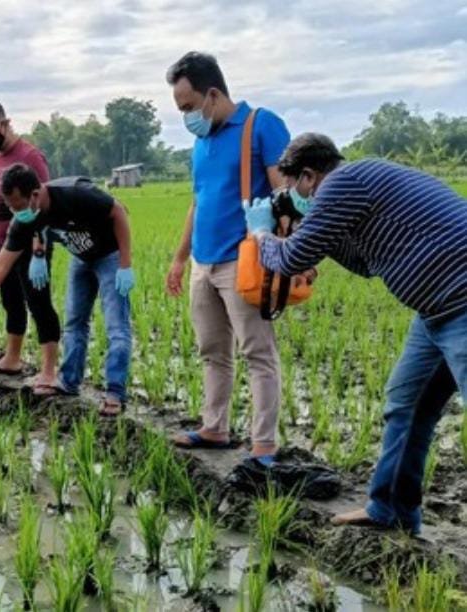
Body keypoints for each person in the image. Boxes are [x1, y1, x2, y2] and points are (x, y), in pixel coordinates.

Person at [244, 133, 467, 535]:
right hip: (435, 311)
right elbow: (365, 264)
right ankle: (390, 510)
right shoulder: (358, 183)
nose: (291, 196)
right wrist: (311, 230)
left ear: (309, 176)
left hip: (462, 301)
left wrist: (262, 234)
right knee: (406, 404)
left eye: (290, 187)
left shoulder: (343, 183)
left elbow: (292, 258)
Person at [164, 51, 292, 465]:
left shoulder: (261, 125)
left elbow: (284, 197)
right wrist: (181, 258)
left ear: (213, 94)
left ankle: (263, 445)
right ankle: (214, 428)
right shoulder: (201, 145)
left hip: (245, 260)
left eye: (188, 106)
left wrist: (289, 251)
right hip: (205, 261)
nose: (187, 117)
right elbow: (197, 202)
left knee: (257, 352)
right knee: (212, 350)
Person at [0, 164, 134, 415]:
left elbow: (119, 212)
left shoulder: (75, 194)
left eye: (19, 206)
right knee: (74, 321)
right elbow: (0, 266)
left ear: (35, 194)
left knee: (116, 325)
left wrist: (125, 264)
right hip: (81, 257)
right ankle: (68, 382)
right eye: (11, 207)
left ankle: (115, 392)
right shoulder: (24, 218)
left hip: (110, 256)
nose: (17, 213)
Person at [0, 97, 61, 390]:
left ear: (5, 123)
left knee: (38, 302)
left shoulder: (31, 156)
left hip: (32, 243)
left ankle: (49, 369)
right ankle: (13, 356)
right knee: (9, 298)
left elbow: (46, 204)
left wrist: (38, 250)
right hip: (3, 241)